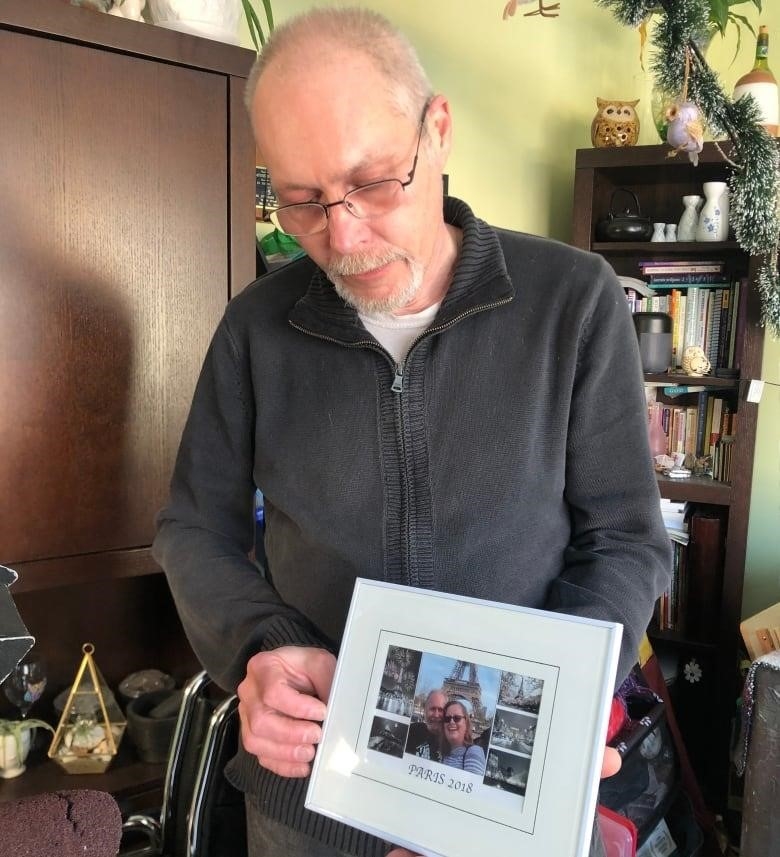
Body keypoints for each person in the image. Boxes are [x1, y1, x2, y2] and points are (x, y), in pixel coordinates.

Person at [151, 7, 671, 857]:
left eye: (375, 181)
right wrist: (263, 647)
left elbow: (627, 541)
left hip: (508, 788)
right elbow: (191, 530)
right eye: (303, 202)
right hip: (312, 792)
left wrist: (546, 715)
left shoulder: (574, 301)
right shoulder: (255, 327)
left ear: (439, 129)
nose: (344, 237)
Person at [439, 700, 486, 776]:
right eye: (447, 719)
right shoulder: (443, 754)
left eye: (457, 718)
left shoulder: (474, 751)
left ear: (466, 724)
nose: (451, 722)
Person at [404, 689, 447, 761]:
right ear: (425, 710)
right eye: (432, 709)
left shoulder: (452, 743)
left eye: (440, 710)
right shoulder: (410, 731)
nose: (436, 715)